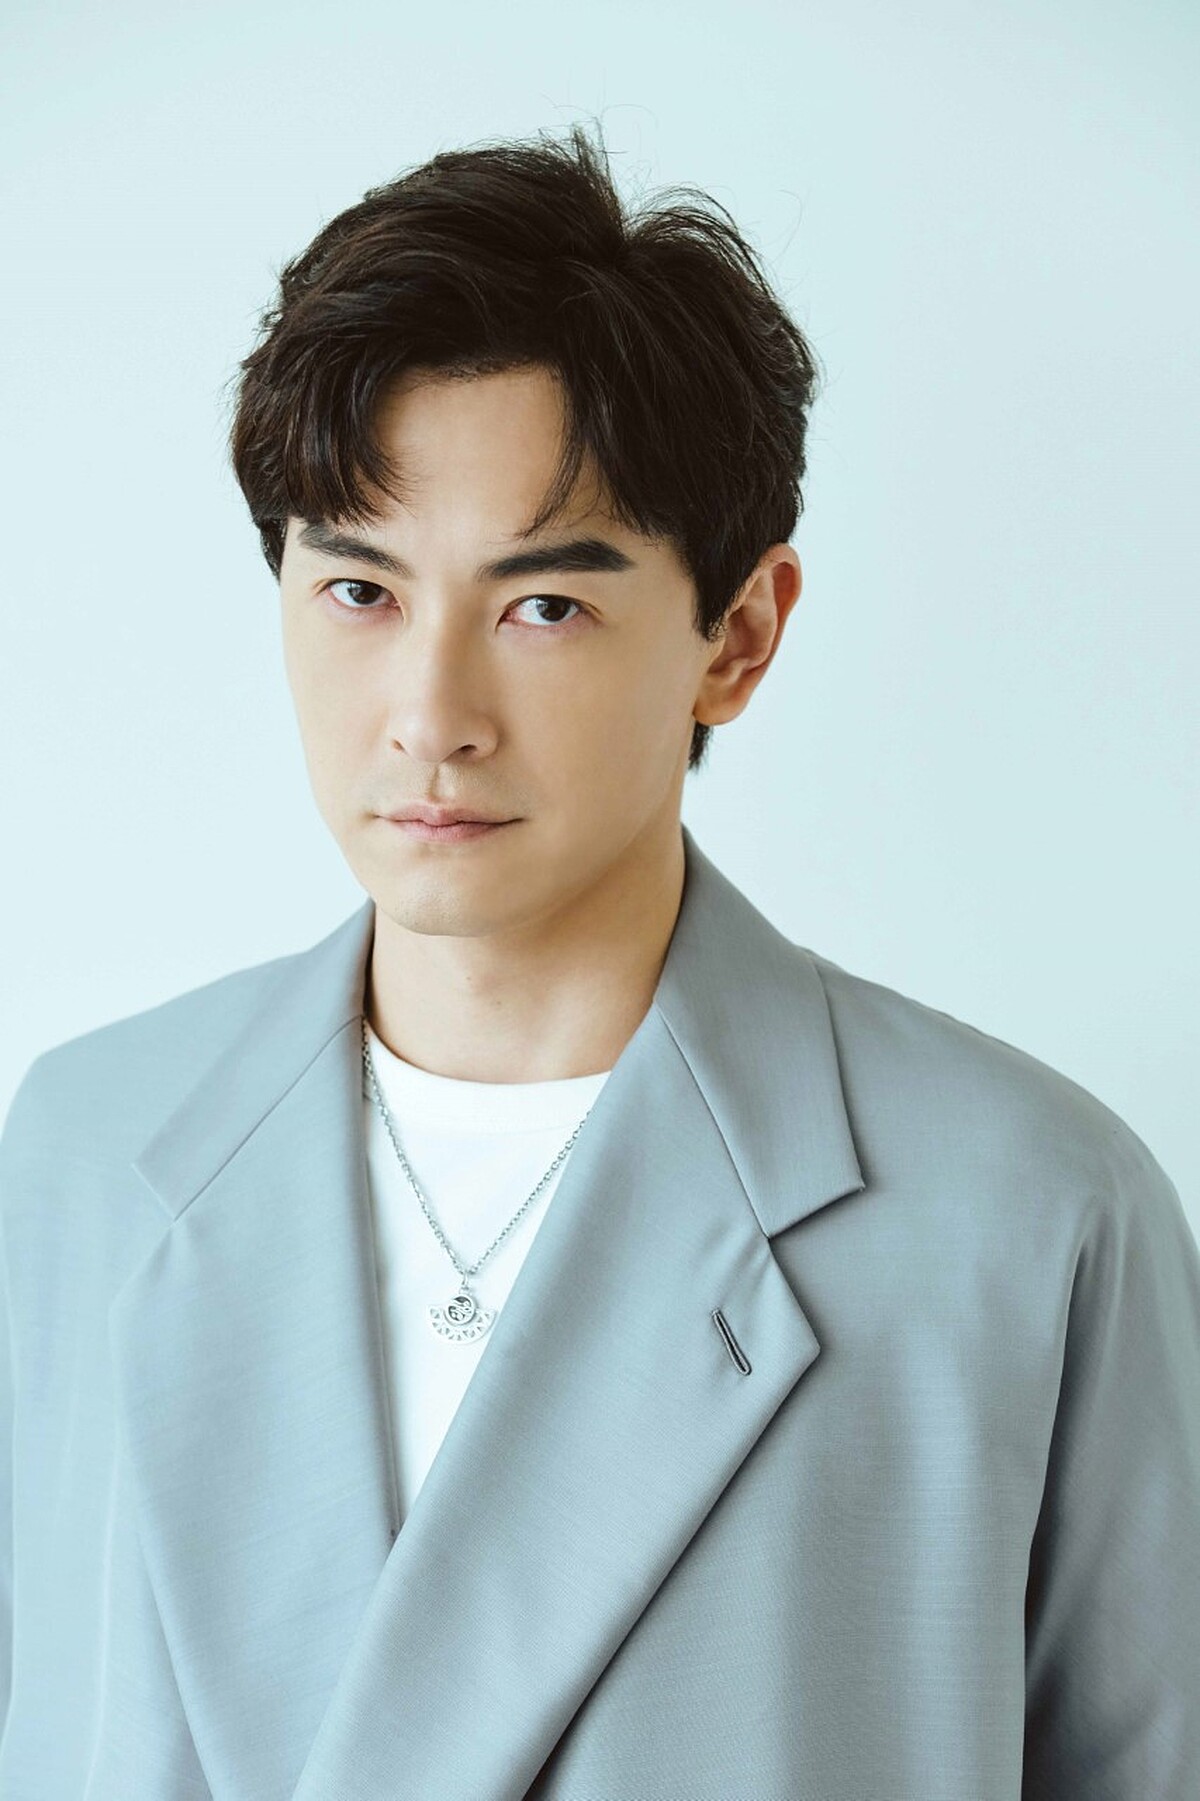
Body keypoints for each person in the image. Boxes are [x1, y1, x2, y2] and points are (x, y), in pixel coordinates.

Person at [1, 121, 1197, 1801]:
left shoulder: (1029, 1215)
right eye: (358, 590)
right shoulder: (85, 1158)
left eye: (542, 607)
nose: (430, 715)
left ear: (738, 636)